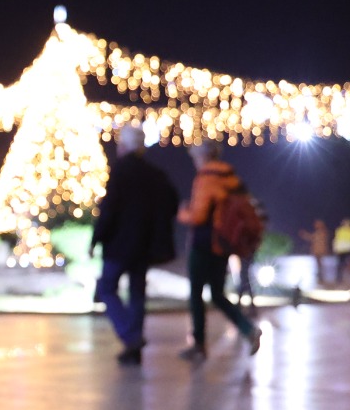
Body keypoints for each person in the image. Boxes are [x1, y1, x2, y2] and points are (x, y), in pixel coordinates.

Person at [88, 123, 178, 365]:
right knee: (137, 294)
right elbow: (172, 202)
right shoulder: (156, 174)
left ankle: (131, 337)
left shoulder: (121, 171)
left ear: (125, 146)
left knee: (107, 288)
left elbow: (109, 209)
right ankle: (133, 346)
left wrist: (96, 239)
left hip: (119, 244)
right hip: (144, 246)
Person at [175, 143, 262, 361]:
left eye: (195, 156)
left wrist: (182, 213)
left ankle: (199, 344)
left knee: (196, 293)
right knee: (217, 293)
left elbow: (198, 216)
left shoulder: (206, 178)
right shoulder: (231, 178)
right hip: (223, 245)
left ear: (202, 156)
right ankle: (248, 329)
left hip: (203, 244)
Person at [299, 218, 329, 286]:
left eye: (317, 224)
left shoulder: (322, 232)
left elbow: (313, 238)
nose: (315, 225)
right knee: (318, 265)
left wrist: (305, 234)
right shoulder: (320, 232)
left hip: (320, 251)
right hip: (317, 251)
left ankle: (320, 279)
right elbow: (311, 238)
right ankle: (319, 279)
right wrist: (304, 234)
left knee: (319, 265)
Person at [333, 217, 350, 282]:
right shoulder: (339, 230)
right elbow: (336, 240)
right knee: (340, 263)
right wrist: (335, 248)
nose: (347, 225)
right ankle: (339, 278)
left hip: (349, 249)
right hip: (341, 250)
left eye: (349, 224)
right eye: (346, 224)